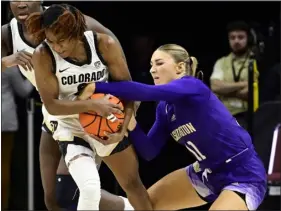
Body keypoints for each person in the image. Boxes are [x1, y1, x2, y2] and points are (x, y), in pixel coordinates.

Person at [80, 44, 267, 210]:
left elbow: (147, 92)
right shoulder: (165, 108)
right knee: (144, 204)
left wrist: (97, 87)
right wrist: (131, 125)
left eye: (159, 63)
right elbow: (149, 150)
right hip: (206, 172)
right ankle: (85, 197)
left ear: (179, 67)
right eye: (151, 65)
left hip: (243, 173)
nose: (153, 70)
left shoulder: (193, 86)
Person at [2, 1, 134, 210]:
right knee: (53, 199)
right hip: (55, 113)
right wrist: (6, 61)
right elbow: (53, 104)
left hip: (95, 113)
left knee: (73, 190)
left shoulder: (71, 19)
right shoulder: (8, 33)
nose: (21, 4)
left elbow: (112, 48)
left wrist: (120, 103)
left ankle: (132, 206)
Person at [210, 21, 259, 129]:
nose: (236, 41)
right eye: (232, 38)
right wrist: (245, 84)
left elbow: (253, 92)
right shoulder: (221, 62)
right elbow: (215, 87)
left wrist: (225, 92)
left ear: (248, 39)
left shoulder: (255, 62)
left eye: (240, 37)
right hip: (224, 117)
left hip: (248, 117)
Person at [1, 66, 33, 209]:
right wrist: (35, 73)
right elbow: (23, 91)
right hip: (5, 120)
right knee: (3, 166)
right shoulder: (8, 66)